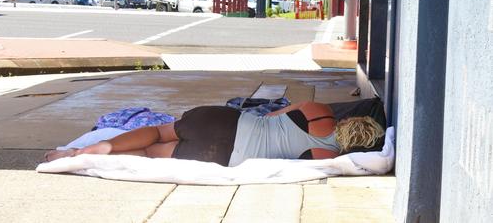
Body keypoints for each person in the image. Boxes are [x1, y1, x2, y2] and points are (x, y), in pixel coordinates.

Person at [43, 101, 385, 167]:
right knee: (151, 156)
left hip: (228, 122)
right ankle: (81, 160)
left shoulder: (319, 111)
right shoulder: (330, 156)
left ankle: (82, 151)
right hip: (226, 154)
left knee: (160, 131)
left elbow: (273, 114)